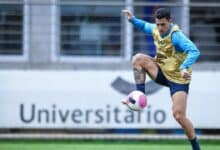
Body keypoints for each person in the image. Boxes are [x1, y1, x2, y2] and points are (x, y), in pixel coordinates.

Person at [122, 8, 201, 150]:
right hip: (161, 72)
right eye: (158, 24)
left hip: (178, 79)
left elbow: (194, 51)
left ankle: (196, 147)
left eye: (163, 24)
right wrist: (132, 19)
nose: (160, 28)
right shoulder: (156, 29)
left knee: (179, 116)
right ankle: (140, 96)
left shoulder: (176, 36)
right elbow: (145, 26)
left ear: (170, 21)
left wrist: (184, 67)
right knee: (138, 59)